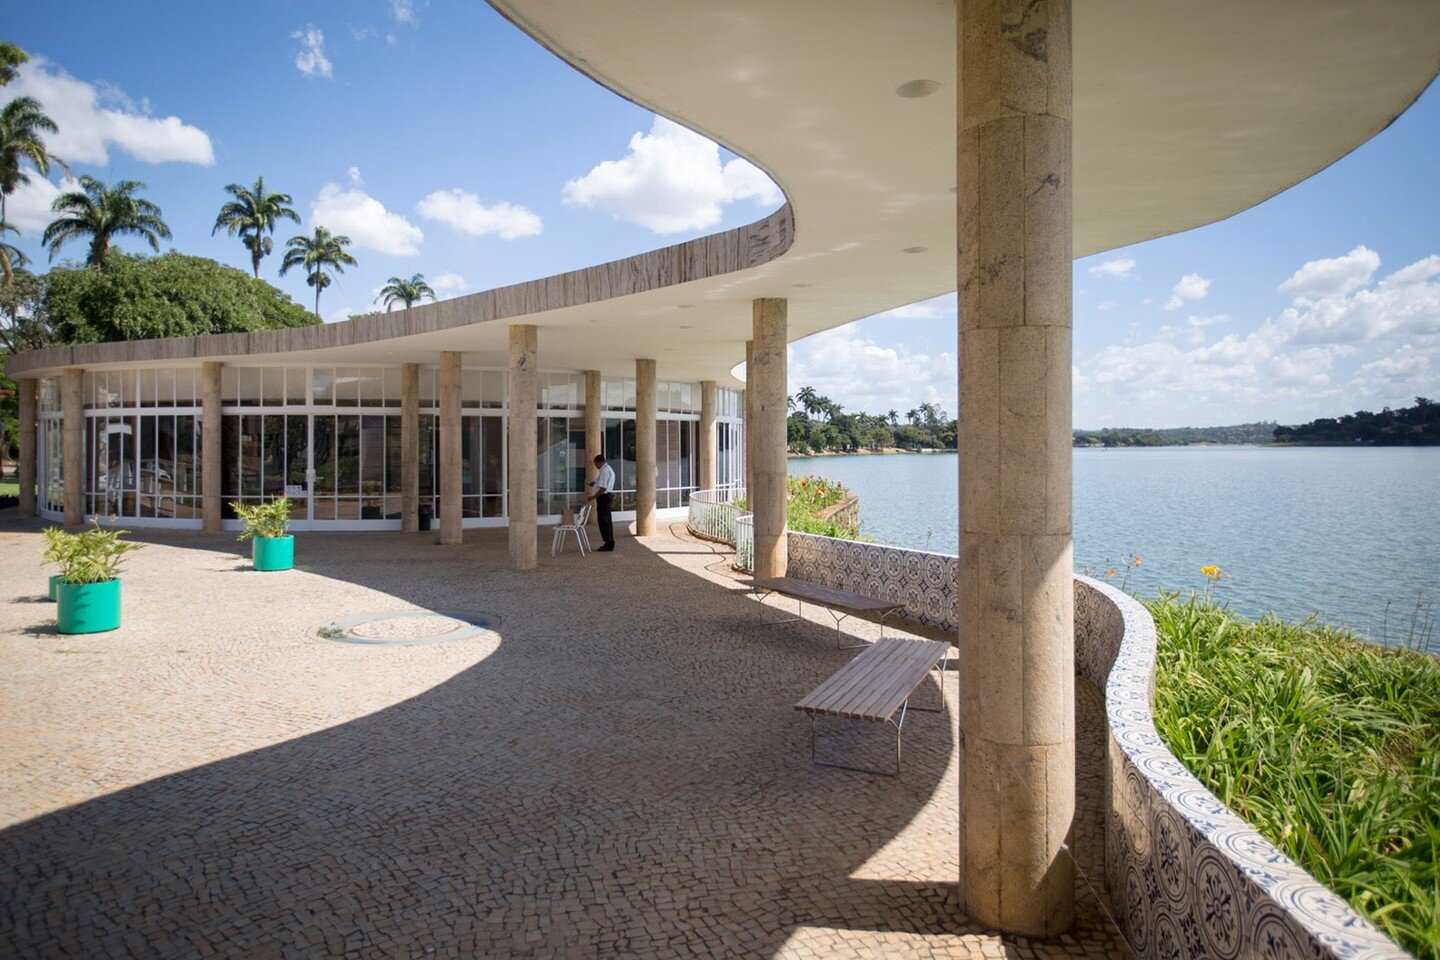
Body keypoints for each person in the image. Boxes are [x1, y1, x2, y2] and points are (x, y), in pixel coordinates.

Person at [585, 454, 616, 552]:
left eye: (596, 464)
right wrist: (594, 484)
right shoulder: (608, 469)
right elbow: (602, 484)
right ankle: (610, 542)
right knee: (607, 520)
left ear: (600, 462)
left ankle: (608, 543)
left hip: (603, 497)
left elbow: (603, 488)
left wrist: (593, 497)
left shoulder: (604, 471)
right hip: (606, 497)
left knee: (603, 521)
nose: (596, 466)